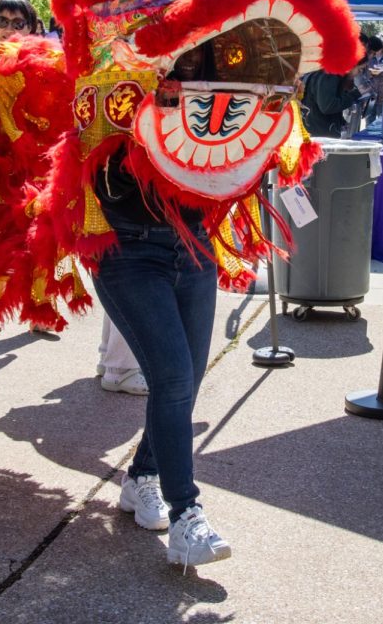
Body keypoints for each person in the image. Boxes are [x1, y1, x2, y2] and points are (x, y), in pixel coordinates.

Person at [92, 46, 231, 567]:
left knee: (187, 382)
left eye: (199, 52)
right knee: (171, 379)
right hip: (128, 250)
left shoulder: (226, 88)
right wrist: (151, 125)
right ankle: (186, 516)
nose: (188, 60)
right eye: (180, 51)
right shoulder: (114, 78)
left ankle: (142, 477)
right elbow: (99, 177)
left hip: (191, 246)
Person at [300, 67, 360, 138]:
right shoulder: (330, 75)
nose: (359, 73)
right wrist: (354, 94)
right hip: (321, 133)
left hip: (318, 129)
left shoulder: (329, 74)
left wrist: (340, 121)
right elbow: (328, 106)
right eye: (360, 69)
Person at [97, 315, 149, 395]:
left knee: (116, 304)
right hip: (121, 377)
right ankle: (120, 371)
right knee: (133, 303)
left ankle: (108, 360)